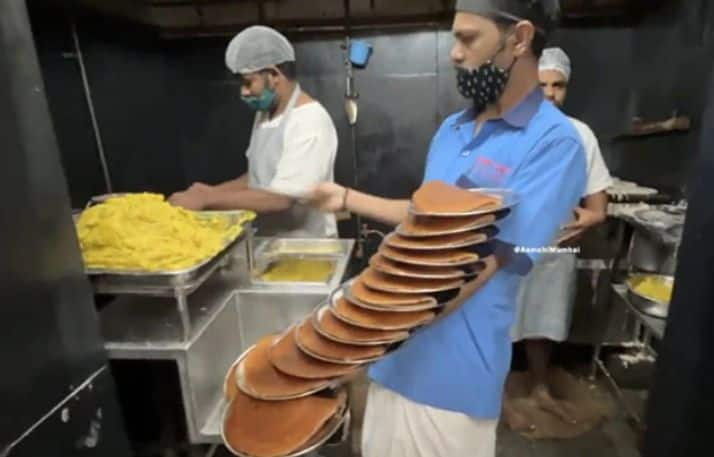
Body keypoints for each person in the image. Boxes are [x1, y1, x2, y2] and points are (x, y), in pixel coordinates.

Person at [308, 1, 586, 455]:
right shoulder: (453, 129)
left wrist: (358, 334)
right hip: (392, 363)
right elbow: (424, 217)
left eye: (467, 38)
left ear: (519, 38)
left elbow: (484, 262)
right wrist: (345, 198)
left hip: (451, 381)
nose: (454, 54)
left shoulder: (553, 143)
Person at [505, 46, 613, 427]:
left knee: (543, 323)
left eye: (558, 85)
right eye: (542, 84)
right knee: (502, 320)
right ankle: (495, 392)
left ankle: (539, 388)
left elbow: (598, 203)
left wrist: (590, 218)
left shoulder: (581, 136)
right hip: (512, 244)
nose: (550, 93)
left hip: (555, 248)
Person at [169, 26, 338, 238]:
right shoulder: (266, 115)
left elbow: (281, 198)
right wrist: (206, 193)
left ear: (274, 74)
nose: (243, 92)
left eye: (248, 83)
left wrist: (207, 198)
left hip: (306, 251)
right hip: (269, 243)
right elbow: (257, 176)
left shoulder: (309, 121)